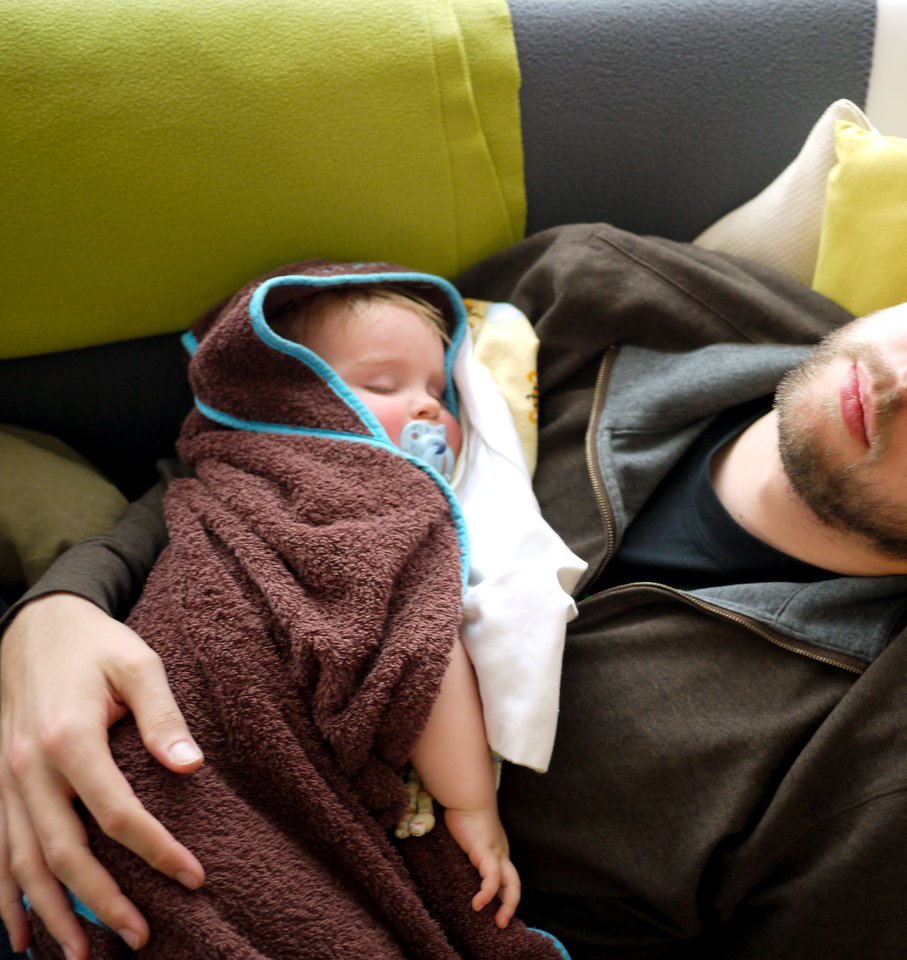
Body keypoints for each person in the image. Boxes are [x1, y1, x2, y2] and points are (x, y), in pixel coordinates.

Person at [2, 207, 907, 960]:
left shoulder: (902, 770)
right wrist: (62, 609)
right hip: (102, 713)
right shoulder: (610, 295)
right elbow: (305, 460)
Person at [0, 261, 583, 958]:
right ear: (291, 400)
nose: (430, 408)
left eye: (438, 389)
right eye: (380, 384)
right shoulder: (373, 501)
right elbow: (420, 653)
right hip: (172, 734)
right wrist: (470, 804)